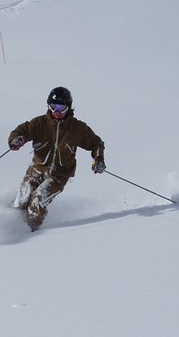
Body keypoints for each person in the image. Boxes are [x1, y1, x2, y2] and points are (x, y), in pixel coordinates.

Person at [8, 86, 106, 231]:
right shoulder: (40, 123)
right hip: (37, 169)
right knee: (22, 199)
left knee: (38, 199)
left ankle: (29, 231)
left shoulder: (77, 128)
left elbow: (96, 143)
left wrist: (98, 159)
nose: (57, 111)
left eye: (61, 106)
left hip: (59, 174)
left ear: (68, 106)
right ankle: (10, 224)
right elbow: (21, 131)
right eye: (53, 106)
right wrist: (16, 140)